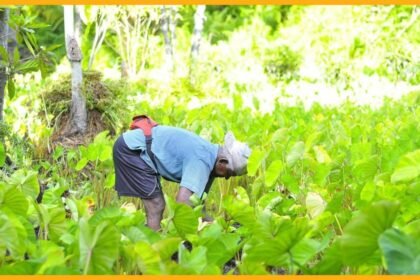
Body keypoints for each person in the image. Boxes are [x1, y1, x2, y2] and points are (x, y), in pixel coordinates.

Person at [112, 116, 251, 231]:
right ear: (222, 161)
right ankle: (153, 248)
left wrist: (217, 226)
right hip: (132, 149)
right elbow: (183, 204)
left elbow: (196, 207)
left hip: (139, 146)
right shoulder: (202, 160)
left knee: (156, 205)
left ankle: (152, 238)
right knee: (156, 204)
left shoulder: (211, 158)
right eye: (229, 174)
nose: (226, 178)